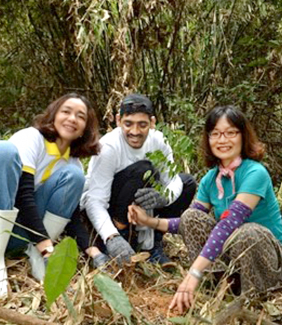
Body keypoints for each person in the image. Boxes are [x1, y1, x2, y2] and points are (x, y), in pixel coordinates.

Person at [127, 105, 282, 313]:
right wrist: (148, 221)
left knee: (248, 232)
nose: (222, 140)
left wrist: (193, 273)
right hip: (235, 256)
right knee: (191, 216)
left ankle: (256, 297)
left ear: (243, 136)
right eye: (215, 134)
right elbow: (187, 223)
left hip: (273, 257)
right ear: (208, 139)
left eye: (231, 132)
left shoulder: (255, 172)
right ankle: (219, 282)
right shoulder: (210, 179)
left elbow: (229, 223)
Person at [0, 93, 101, 299]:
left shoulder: (72, 165)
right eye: (66, 111)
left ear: (86, 127)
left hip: (16, 239)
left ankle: (34, 253)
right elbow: (24, 196)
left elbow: (71, 215)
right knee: (3, 151)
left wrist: (93, 250)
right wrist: (47, 247)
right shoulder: (31, 138)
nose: (72, 119)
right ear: (53, 115)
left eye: (80, 116)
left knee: (76, 177)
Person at [81, 94, 196, 265]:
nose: (135, 132)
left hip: (143, 207)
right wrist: (111, 237)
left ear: (152, 122)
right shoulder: (109, 147)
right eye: (128, 124)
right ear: (119, 121)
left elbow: (173, 181)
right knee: (144, 169)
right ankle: (121, 238)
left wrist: (163, 197)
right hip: (112, 208)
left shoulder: (158, 141)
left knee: (187, 184)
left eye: (142, 125)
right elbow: (95, 201)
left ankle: (153, 245)